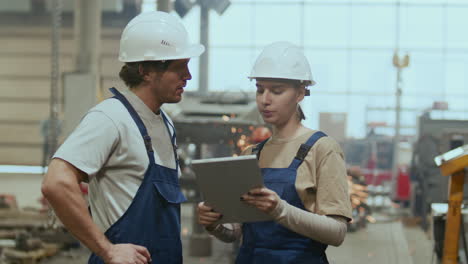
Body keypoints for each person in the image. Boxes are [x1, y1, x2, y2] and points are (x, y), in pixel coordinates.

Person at [41, 11, 204, 264]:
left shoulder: (165, 123)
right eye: (178, 68)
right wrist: (107, 250)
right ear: (146, 71)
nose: (188, 76)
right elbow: (56, 183)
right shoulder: (111, 117)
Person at [197, 41, 352, 263]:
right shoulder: (251, 154)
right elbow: (236, 232)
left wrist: (280, 210)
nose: (265, 100)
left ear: (300, 93)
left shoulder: (322, 149)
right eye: (260, 89)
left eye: (277, 91)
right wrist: (214, 224)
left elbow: (337, 233)